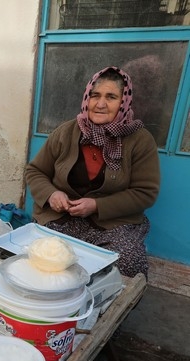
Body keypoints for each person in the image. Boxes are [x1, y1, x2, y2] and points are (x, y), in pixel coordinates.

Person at [25, 66, 160, 279]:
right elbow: (35, 171)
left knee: (127, 262)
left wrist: (97, 205)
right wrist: (52, 195)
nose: (100, 104)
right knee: (42, 259)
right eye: (95, 95)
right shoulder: (66, 132)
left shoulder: (140, 140)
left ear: (124, 102)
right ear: (87, 97)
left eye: (111, 97)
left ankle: (107, 309)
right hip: (62, 218)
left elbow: (145, 192)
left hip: (113, 224)